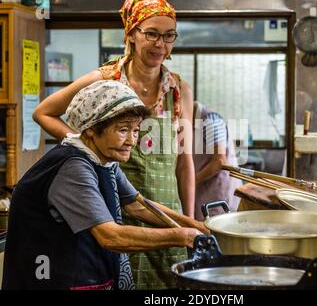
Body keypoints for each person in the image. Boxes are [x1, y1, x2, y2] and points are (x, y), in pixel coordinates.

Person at [32, 0, 195, 289]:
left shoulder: (178, 89)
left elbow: (184, 161)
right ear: (131, 34)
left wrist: (190, 221)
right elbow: (43, 112)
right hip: (109, 207)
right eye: (152, 34)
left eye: (169, 36)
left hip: (161, 208)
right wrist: (84, 146)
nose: (160, 44)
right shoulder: (106, 81)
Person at [2, 80, 205, 290]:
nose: (131, 141)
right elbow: (110, 236)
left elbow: (137, 205)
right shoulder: (73, 167)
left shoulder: (105, 160)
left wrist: (196, 225)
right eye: (123, 130)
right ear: (91, 129)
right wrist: (183, 236)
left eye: (135, 130)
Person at [192, 101, 242, 221]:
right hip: (204, 195)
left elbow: (219, 161)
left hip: (219, 194)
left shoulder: (210, 120)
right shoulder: (190, 124)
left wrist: (191, 180)